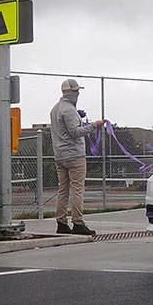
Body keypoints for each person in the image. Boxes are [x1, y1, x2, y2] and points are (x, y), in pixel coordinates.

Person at [50, 79, 104, 236]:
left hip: (60, 155)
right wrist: (94, 125)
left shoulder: (55, 109)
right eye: (76, 91)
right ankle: (78, 222)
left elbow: (64, 126)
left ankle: (61, 222)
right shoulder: (69, 110)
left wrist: (77, 117)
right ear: (69, 92)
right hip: (74, 155)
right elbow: (75, 132)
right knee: (77, 189)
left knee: (63, 189)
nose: (78, 93)